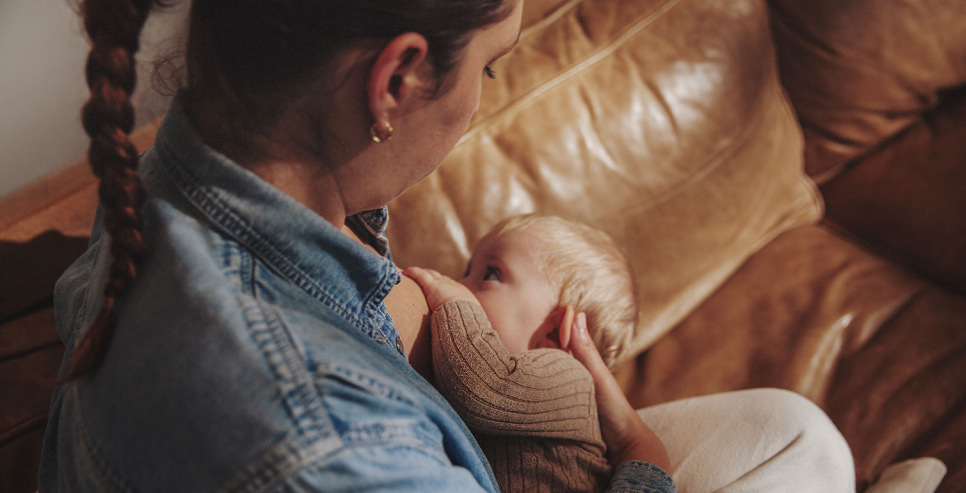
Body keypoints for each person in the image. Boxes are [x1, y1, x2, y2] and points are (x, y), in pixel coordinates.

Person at [39, 0, 858, 491]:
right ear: (397, 79)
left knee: (792, 430)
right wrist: (642, 461)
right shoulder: (337, 448)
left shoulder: (169, 176)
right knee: (803, 452)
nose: (476, 105)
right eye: (491, 69)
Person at [405, 214, 640, 492]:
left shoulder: (569, 380)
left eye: (490, 274)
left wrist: (455, 302)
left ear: (553, 333)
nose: (459, 283)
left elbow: (485, 390)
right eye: (467, 270)